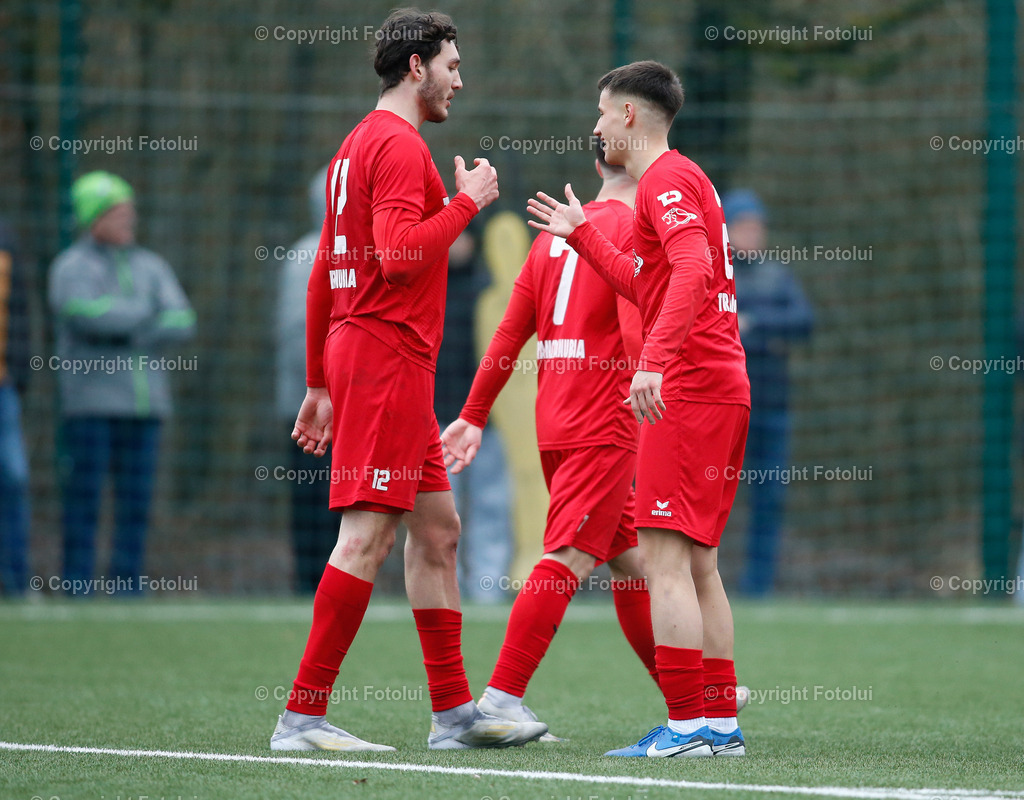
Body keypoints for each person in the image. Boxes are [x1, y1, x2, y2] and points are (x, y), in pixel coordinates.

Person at [270, 8, 546, 753]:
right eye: (453, 67)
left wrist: (319, 382)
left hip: (376, 360)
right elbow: (395, 258)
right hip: (387, 357)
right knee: (365, 538)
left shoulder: (355, 144)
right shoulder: (396, 145)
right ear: (416, 67)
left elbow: (329, 274)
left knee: (440, 534)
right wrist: (469, 203)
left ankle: (453, 714)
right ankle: (299, 717)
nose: (461, 81)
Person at [528, 60, 750, 757]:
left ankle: (685, 728)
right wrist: (583, 235)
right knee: (699, 563)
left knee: (662, 562)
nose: (595, 127)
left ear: (628, 115)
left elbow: (691, 272)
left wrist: (652, 362)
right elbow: (649, 282)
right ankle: (719, 725)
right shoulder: (681, 180)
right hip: (716, 384)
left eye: (601, 113)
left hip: (688, 387)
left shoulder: (665, 180)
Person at [442, 149, 659, 739]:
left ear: (598, 171)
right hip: (605, 418)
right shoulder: (634, 229)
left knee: (632, 561)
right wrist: (651, 374)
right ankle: (501, 698)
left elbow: (511, 331)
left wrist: (471, 414)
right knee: (570, 555)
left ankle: (694, 698)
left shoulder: (552, 236)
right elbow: (639, 314)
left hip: (556, 418)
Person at [49, 171, 196, 594]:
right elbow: (84, 314)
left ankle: (127, 583)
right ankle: (76, 583)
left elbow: (182, 319)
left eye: (129, 211)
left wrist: (126, 321)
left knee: (135, 503)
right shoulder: (70, 267)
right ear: (93, 218)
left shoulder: (151, 264)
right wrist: (146, 317)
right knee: (84, 499)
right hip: (90, 407)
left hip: (146, 406)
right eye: (117, 212)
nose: (128, 220)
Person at [723, 189, 813, 597]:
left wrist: (754, 323)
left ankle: (758, 586)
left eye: (757, 226)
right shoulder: (715, 271)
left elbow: (803, 320)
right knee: (713, 497)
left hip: (772, 407)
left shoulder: (776, 274)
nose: (753, 234)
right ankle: (705, 582)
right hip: (725, 409)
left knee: (769, 498)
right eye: (744, 225)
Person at [434, 225, 514, 604]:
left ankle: (488, 588)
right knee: (440, 511)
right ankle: (445, 587)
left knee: (491, 505)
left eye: (464, 235)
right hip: (435, 418)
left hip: (487, 424)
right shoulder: (423, 288)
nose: (457, 244)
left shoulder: (492, 292)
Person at [276, 166, 337, 594]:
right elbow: (300, 329)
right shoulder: (311, 254)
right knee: (315, 495)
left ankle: (322, 579)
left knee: (323, 495)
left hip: (313, 393)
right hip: (314, 397)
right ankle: (312, 581)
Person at [0, 218, 31, 598]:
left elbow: (20, 310)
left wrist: (22, 370)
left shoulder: (6, 233)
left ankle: (16, 581)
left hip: (3, 385)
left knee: (13, 478)